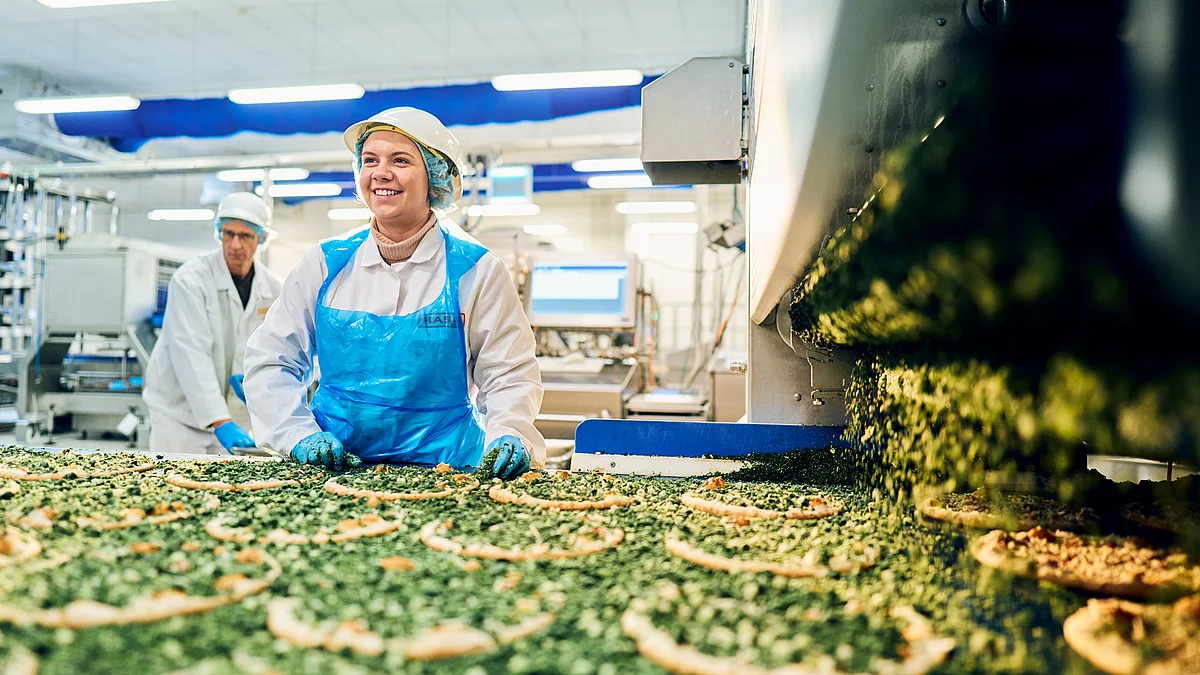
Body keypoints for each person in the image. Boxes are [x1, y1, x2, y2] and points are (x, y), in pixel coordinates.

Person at [243, 107, 544, 478]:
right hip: (332, 473)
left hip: (449, 472)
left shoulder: (476, 269)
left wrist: (509, 431)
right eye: (370, 160)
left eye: (400, 160)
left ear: (435, 178)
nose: (381, 172)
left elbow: (509, 373)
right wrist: (297, 434)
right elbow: (272, 359)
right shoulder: (324, 263)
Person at [143, 192, 283, 454]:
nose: (235, 245)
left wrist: (261, 380)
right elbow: (191, 353)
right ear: (219, 234)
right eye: (228, 234)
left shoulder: (274, 289)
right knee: (173, 488)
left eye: (245, 236)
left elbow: (279, 349)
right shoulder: (190, 280)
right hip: (179, 416)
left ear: (261, 239)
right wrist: (220, 420)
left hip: (236, 419)